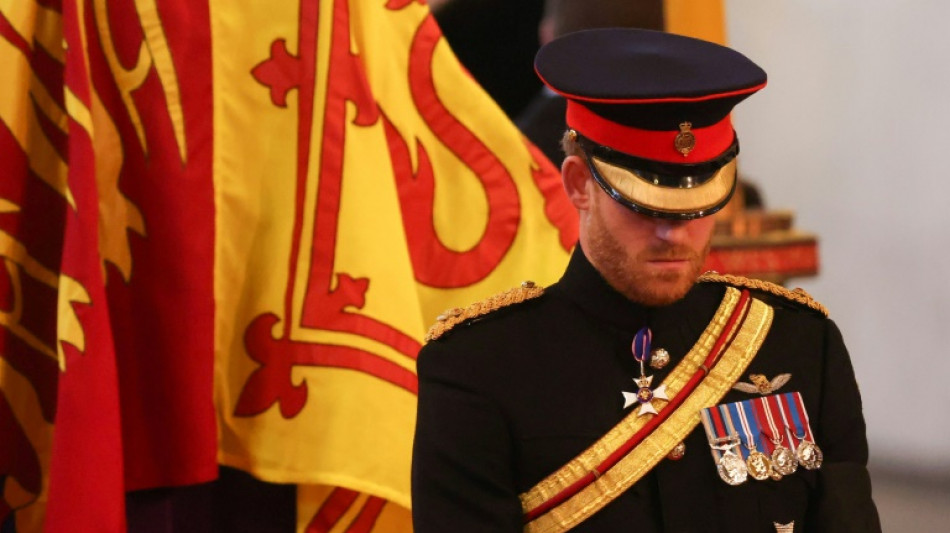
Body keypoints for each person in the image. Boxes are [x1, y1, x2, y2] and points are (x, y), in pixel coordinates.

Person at [411, 28, 880, 533]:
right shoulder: (478, 368)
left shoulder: (801, 343)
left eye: (695, 205)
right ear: (579, 184)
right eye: (644, 205)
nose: (672, 232)